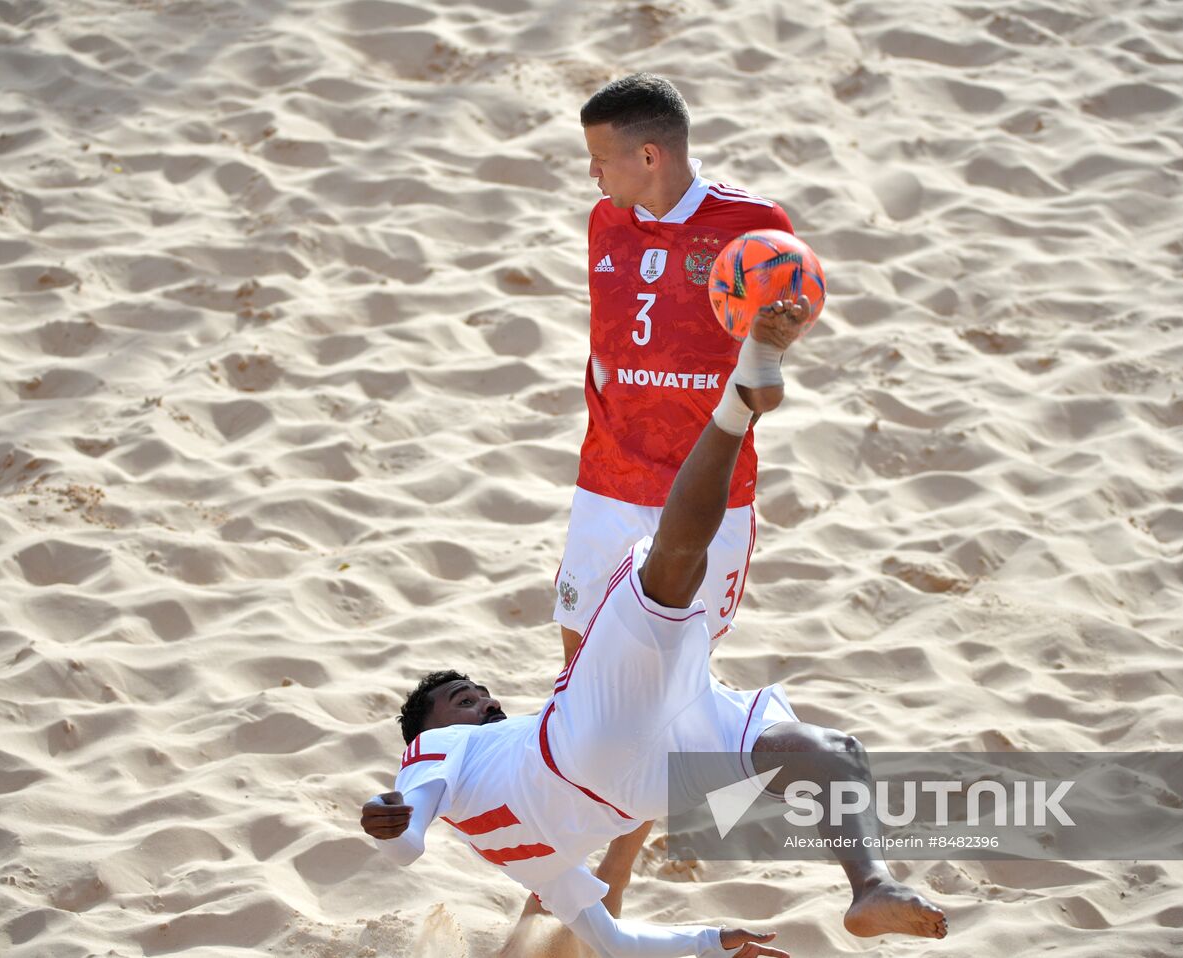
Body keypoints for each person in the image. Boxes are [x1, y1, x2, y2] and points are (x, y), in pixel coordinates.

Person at [361, 302, 948, 956]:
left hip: (640, 788)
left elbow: (614, 943)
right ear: (428, 731)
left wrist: (715, 944)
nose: (488, 700)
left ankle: (870, 885)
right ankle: (737, 400)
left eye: (481, 691)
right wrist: (395, 823)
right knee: (665, 565)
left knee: (830, 752)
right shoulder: (438, 754)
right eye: (463, 700)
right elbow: (411, 824)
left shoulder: (526, 860)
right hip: (577, 739)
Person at [556, 72, 797, 665]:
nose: (593, 173)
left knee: (677, 672)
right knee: (578, 667)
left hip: (707, 492)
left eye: (600, 159)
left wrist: (775, 344)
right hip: (607, 483)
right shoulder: (605, 221)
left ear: (647, 155)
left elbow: (768, 370)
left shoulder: (755, 229)